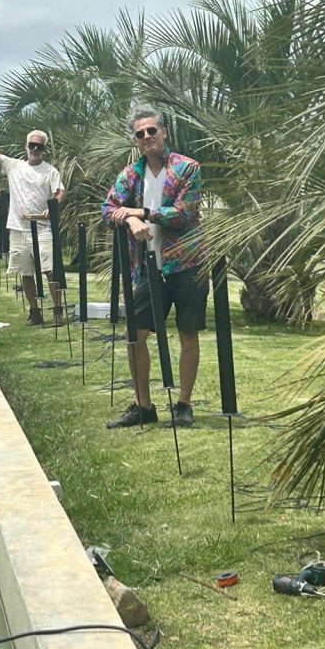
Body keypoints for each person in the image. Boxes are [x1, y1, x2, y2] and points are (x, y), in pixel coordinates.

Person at [102, 106, 207, 428]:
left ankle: (184, 405)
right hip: (147, 265)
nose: (147, 137)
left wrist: (139, 213)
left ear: (163, 132)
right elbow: (108, 209)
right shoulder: (130, 174)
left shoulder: (187, 168)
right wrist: (130, 218)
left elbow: (184, 213)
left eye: (151, 131)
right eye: (140, 133)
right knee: (135, 334)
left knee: (188, 332)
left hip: (187, 262)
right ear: (135, 140)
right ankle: (143, 406)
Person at [0, 117, 66, 327]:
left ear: (44, 149)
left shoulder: (50, 171)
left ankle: (58, 311)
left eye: (39, 146)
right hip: (18, 227)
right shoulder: (14, 166)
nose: (35, 149)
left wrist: (52, 206)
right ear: (26, 146)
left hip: (42, 227)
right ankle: (34, 312)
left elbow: (60, 192)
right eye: (32, 145)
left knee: (50, 269)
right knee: (25, 272)